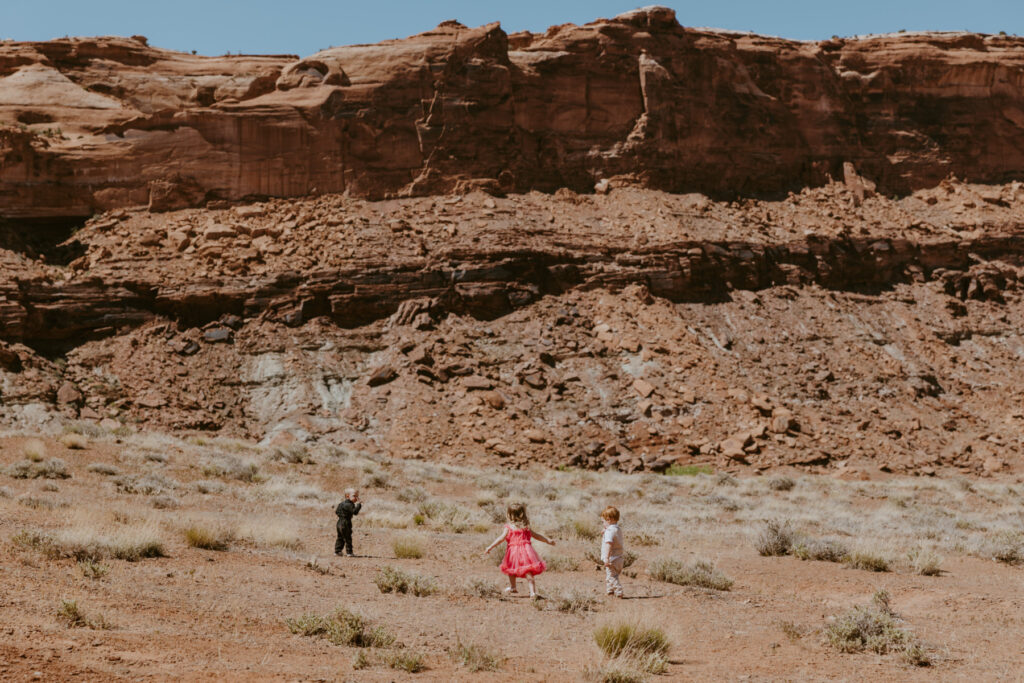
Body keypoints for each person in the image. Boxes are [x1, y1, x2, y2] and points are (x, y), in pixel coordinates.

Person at [483, 502, 555, 599]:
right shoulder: (525, 526)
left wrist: (490, 547)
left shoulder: (509, 527)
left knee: (513, 569)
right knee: (525, 570)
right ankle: (530, 592)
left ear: (509, 514)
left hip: (514, 552)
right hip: (525, 551)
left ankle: (515, 587)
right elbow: (536, 536)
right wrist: (547, 541)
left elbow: (501, 538)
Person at [601, 506, 625, 598]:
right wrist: (605, 530)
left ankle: (619, 591)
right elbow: (613, 536)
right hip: (619, 558)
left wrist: (606, 558)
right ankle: (610, 590)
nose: (602, 524)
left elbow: (609, 544)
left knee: (612, 577)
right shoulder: (617, 529)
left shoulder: (609, 532)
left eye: (603, 522)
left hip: (612, 558)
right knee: (610, 575)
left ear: (608, 520)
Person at [335, 488, 361, 556]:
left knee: (340, 537)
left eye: (357, 496)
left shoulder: (341, 503)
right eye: (354, 496)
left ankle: (337, 551)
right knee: (347, 537)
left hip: (339, 522)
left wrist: (342, 515)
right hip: (346, 522)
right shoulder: (350, 504)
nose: (356, 498)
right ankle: (349, 552)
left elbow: (337, 511)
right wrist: (359, 505)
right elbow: (355, 512)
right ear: (347, 496)